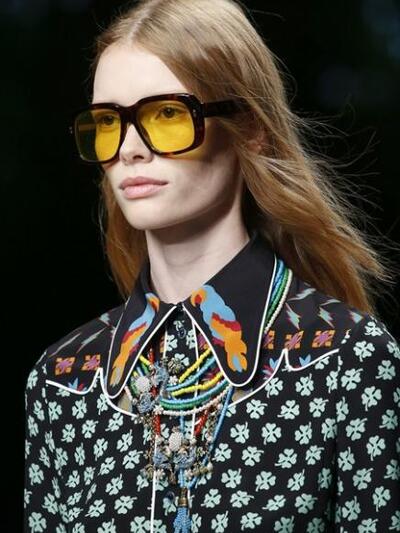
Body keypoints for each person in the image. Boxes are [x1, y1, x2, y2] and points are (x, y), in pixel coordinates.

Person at [23, 0, 400, 531]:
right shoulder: (64, 380)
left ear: (250, 128)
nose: (130, 149)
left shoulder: (347, 360)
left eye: (167, 114)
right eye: (108, 122)